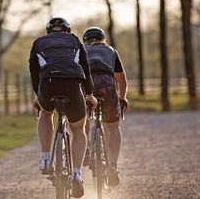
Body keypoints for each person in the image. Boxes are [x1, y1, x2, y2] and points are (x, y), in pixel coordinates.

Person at [29, 17, 97, 198]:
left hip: (48, 83)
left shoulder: (38, 43)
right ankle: (76, 173)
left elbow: (34, 73)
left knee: (45, 112)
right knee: (78, 128)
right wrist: (89, 94)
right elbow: (86, 67)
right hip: (72, 84)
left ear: (48, 31)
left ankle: (44, 158)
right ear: (67, 30)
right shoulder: (75, 40)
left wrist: (38, 94)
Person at [82, 26, 128, 186]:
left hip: (87, 87)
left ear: (85, 40)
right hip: (107, 87)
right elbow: (122, 80)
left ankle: (86, 150)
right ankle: (113, 166)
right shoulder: (111, 51)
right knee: (113, 127)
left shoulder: (81, 50)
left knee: (81, 120)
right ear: (103, 39)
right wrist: (122, 99)